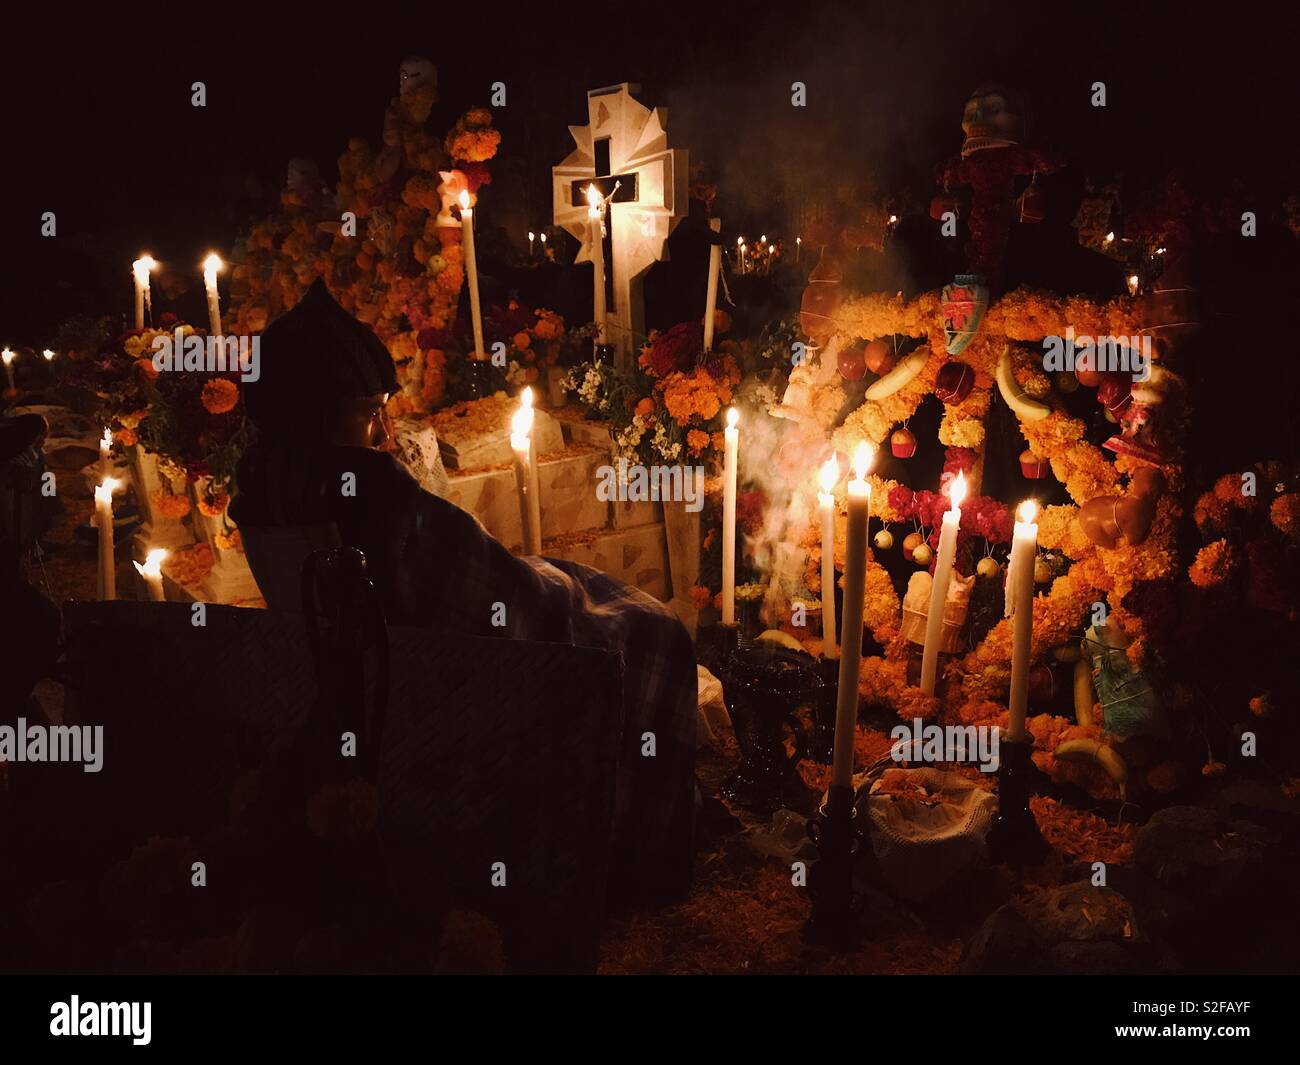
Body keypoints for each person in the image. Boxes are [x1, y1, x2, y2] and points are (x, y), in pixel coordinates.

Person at [231, 279, 697, 907]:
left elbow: (458, 568)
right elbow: (489, 596)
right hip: (448, 669)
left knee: (575, 578)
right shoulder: (369, 492)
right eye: (368, 414)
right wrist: (546, 581)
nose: (379, 430)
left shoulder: (266, 480)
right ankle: (631, 849)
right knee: (651, 627)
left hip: (371, 660)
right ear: (324, 413)